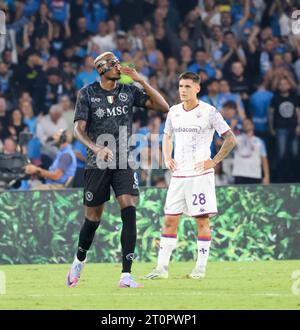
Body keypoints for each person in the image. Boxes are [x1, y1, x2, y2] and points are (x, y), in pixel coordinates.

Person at [67, 51, 169, 288]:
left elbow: (163, 106)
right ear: (101, 69)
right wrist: (96, 148)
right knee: (92, 219)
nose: (118, 66)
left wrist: (140, 81)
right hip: (97, 163)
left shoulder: (128, 91)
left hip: (123, 160)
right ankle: (79, 261)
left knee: (129, 207)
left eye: (117, 62)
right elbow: (77, 129)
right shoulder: (88, 94)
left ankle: (126, 275)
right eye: (113, 64)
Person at [144, 72, 236, 280]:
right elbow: (166, 136)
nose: (182, 90)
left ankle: (200, 270)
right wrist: (168, 158)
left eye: (187, 86)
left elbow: (230, 138)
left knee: (202, 222)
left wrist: (214, 161)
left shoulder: (209, 112)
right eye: (180, 86)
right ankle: (161, 269)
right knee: (169, 221)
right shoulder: (174, 112)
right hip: (178, 176)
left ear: (197, 88)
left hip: (200, 176)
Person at [232, 119, 270, 185]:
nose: (245, 125)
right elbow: (226, 143)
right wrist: (232, 127)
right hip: (239, 174)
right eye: (244, 124)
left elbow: (264, 159)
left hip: (255, 174)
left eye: (248, 123)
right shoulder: (237, 139)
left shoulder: (259, 141)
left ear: (253, 126)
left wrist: (266, 176)